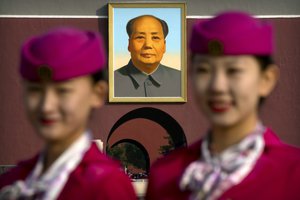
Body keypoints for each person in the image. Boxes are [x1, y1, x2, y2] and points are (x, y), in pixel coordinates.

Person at [146, 11, 300, 200]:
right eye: (204, 70)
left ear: (266, 80)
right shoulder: (165, 175)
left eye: (233, 71)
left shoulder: (293, 173)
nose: (217, 86)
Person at [0, 27, 136, 199]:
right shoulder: (13, 181)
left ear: (98, 93)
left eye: (63, 91)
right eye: (35, 91)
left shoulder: (106, 186)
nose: (46, 106)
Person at [114, 15, 181, 97]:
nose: (148, 45)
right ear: (129, 44)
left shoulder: (182, 80)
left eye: (155, 37)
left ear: (164, 45)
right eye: (140, 37)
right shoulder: (111, 81)